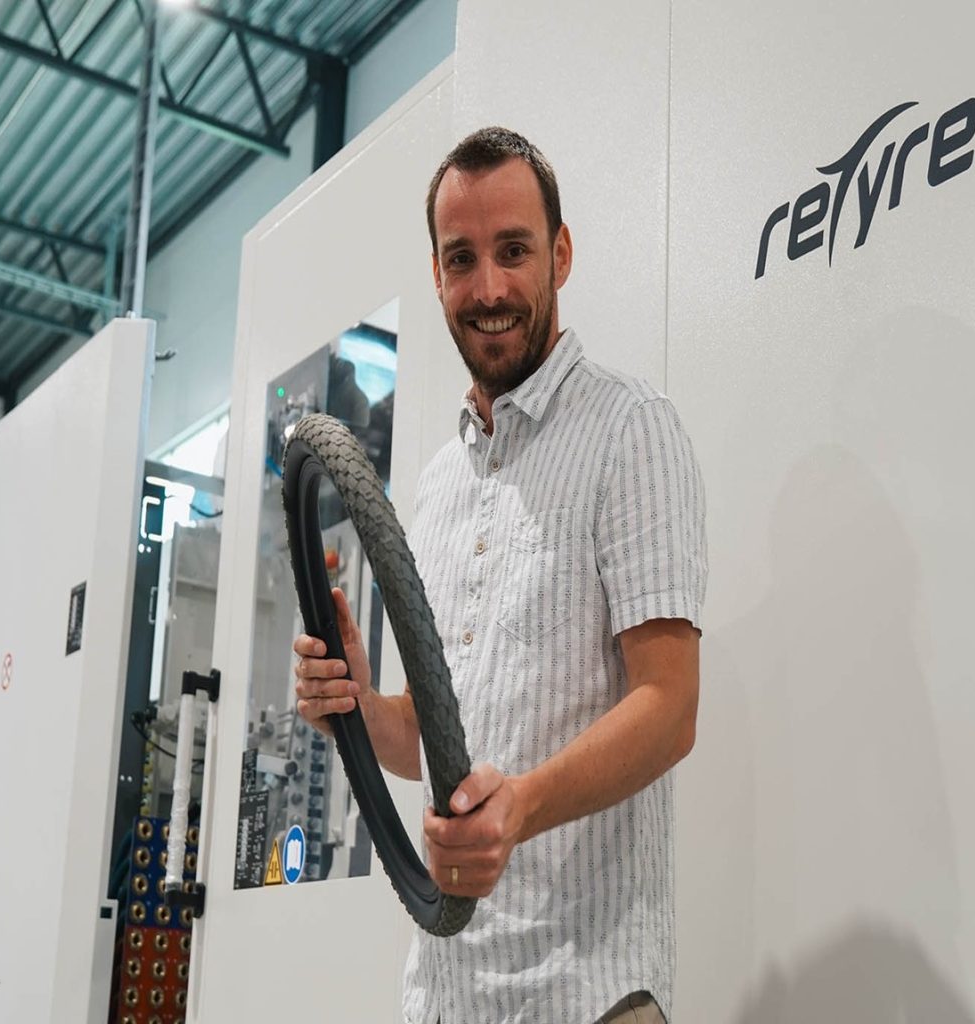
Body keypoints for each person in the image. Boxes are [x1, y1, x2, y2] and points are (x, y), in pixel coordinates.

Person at [294, 127, 707, 1024]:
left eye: (513, 251)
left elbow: (670, 706)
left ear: (560, 254)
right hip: (446, 996)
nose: (488, 289)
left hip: (587, 994)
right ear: (436, 274)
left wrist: (520, 807)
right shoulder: (440, 483)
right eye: (462, 259)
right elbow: (434, 741)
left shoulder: (630, 430)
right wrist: (357, 705)